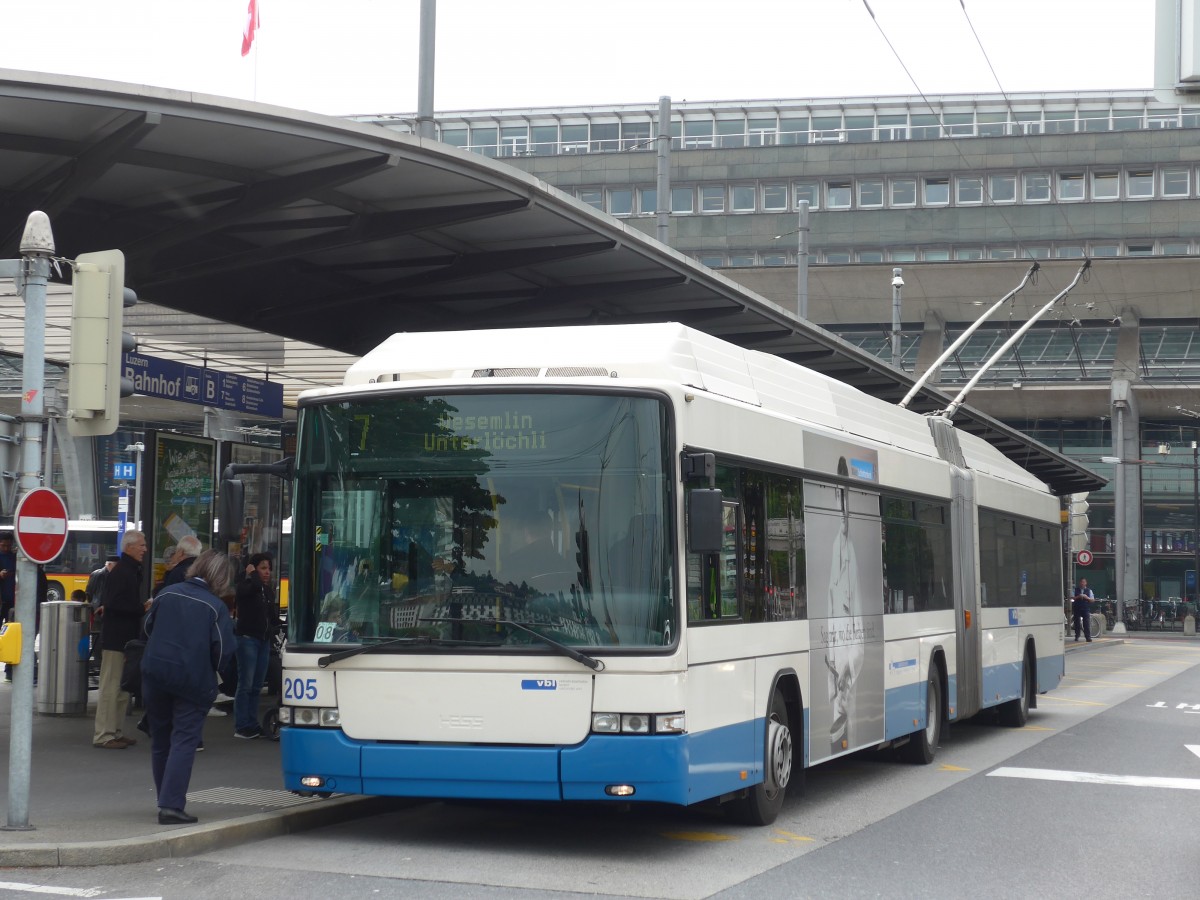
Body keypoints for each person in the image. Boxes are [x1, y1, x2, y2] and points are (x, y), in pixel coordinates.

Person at [141, 550, 236, 825]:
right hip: (193, 681)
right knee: (184, 740)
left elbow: (148, 627)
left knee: (160, 740)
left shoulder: (167, 594)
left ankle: (165, 799)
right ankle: (171, 805)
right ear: (220, 578)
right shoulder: (214, 607)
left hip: (155, 675)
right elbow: (222, 653)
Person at [93, 530, 147, 749]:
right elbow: (113, 604)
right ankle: (104, 735)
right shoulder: (122, 572)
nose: (145, 549)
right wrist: (141, 608)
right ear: (129, 547)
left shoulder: (129, 571)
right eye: (141, 545)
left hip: (125, 638)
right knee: (111, 687)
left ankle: (115, 731)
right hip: (117, 639)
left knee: (122, 689)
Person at [233, 552, 276, 739]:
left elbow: (271, 616)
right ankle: (242, 725)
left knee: (257, 685)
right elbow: (252, 588)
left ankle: (252, 722)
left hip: (263, 639)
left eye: (268, 569)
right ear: (253, 570)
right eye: (263, 568)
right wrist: (252, 575)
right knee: (246, 684)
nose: (267, 573)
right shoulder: (246, 587)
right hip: (247, 639)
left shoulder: (268, 591)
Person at [1072, 577, 1095, 643]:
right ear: (1079, 583)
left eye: (1084, 582)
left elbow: (1092, 600)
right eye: (1081, 582)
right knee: (1077, 623)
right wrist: (1078, 596)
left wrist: (1086, 597)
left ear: (1086, 583)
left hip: (1085, 608)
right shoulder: (1075, 590)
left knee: (1086, 623)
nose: (1082, 583)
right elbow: (1072, 598)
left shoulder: (1089, 590)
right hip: (1077, 607)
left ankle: (1088, 637)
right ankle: (1077, 635)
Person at [0, 534, 15, 623]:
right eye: (3, 546)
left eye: (8, 546)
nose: (6, 548)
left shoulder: (14, 557)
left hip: (12, 599)